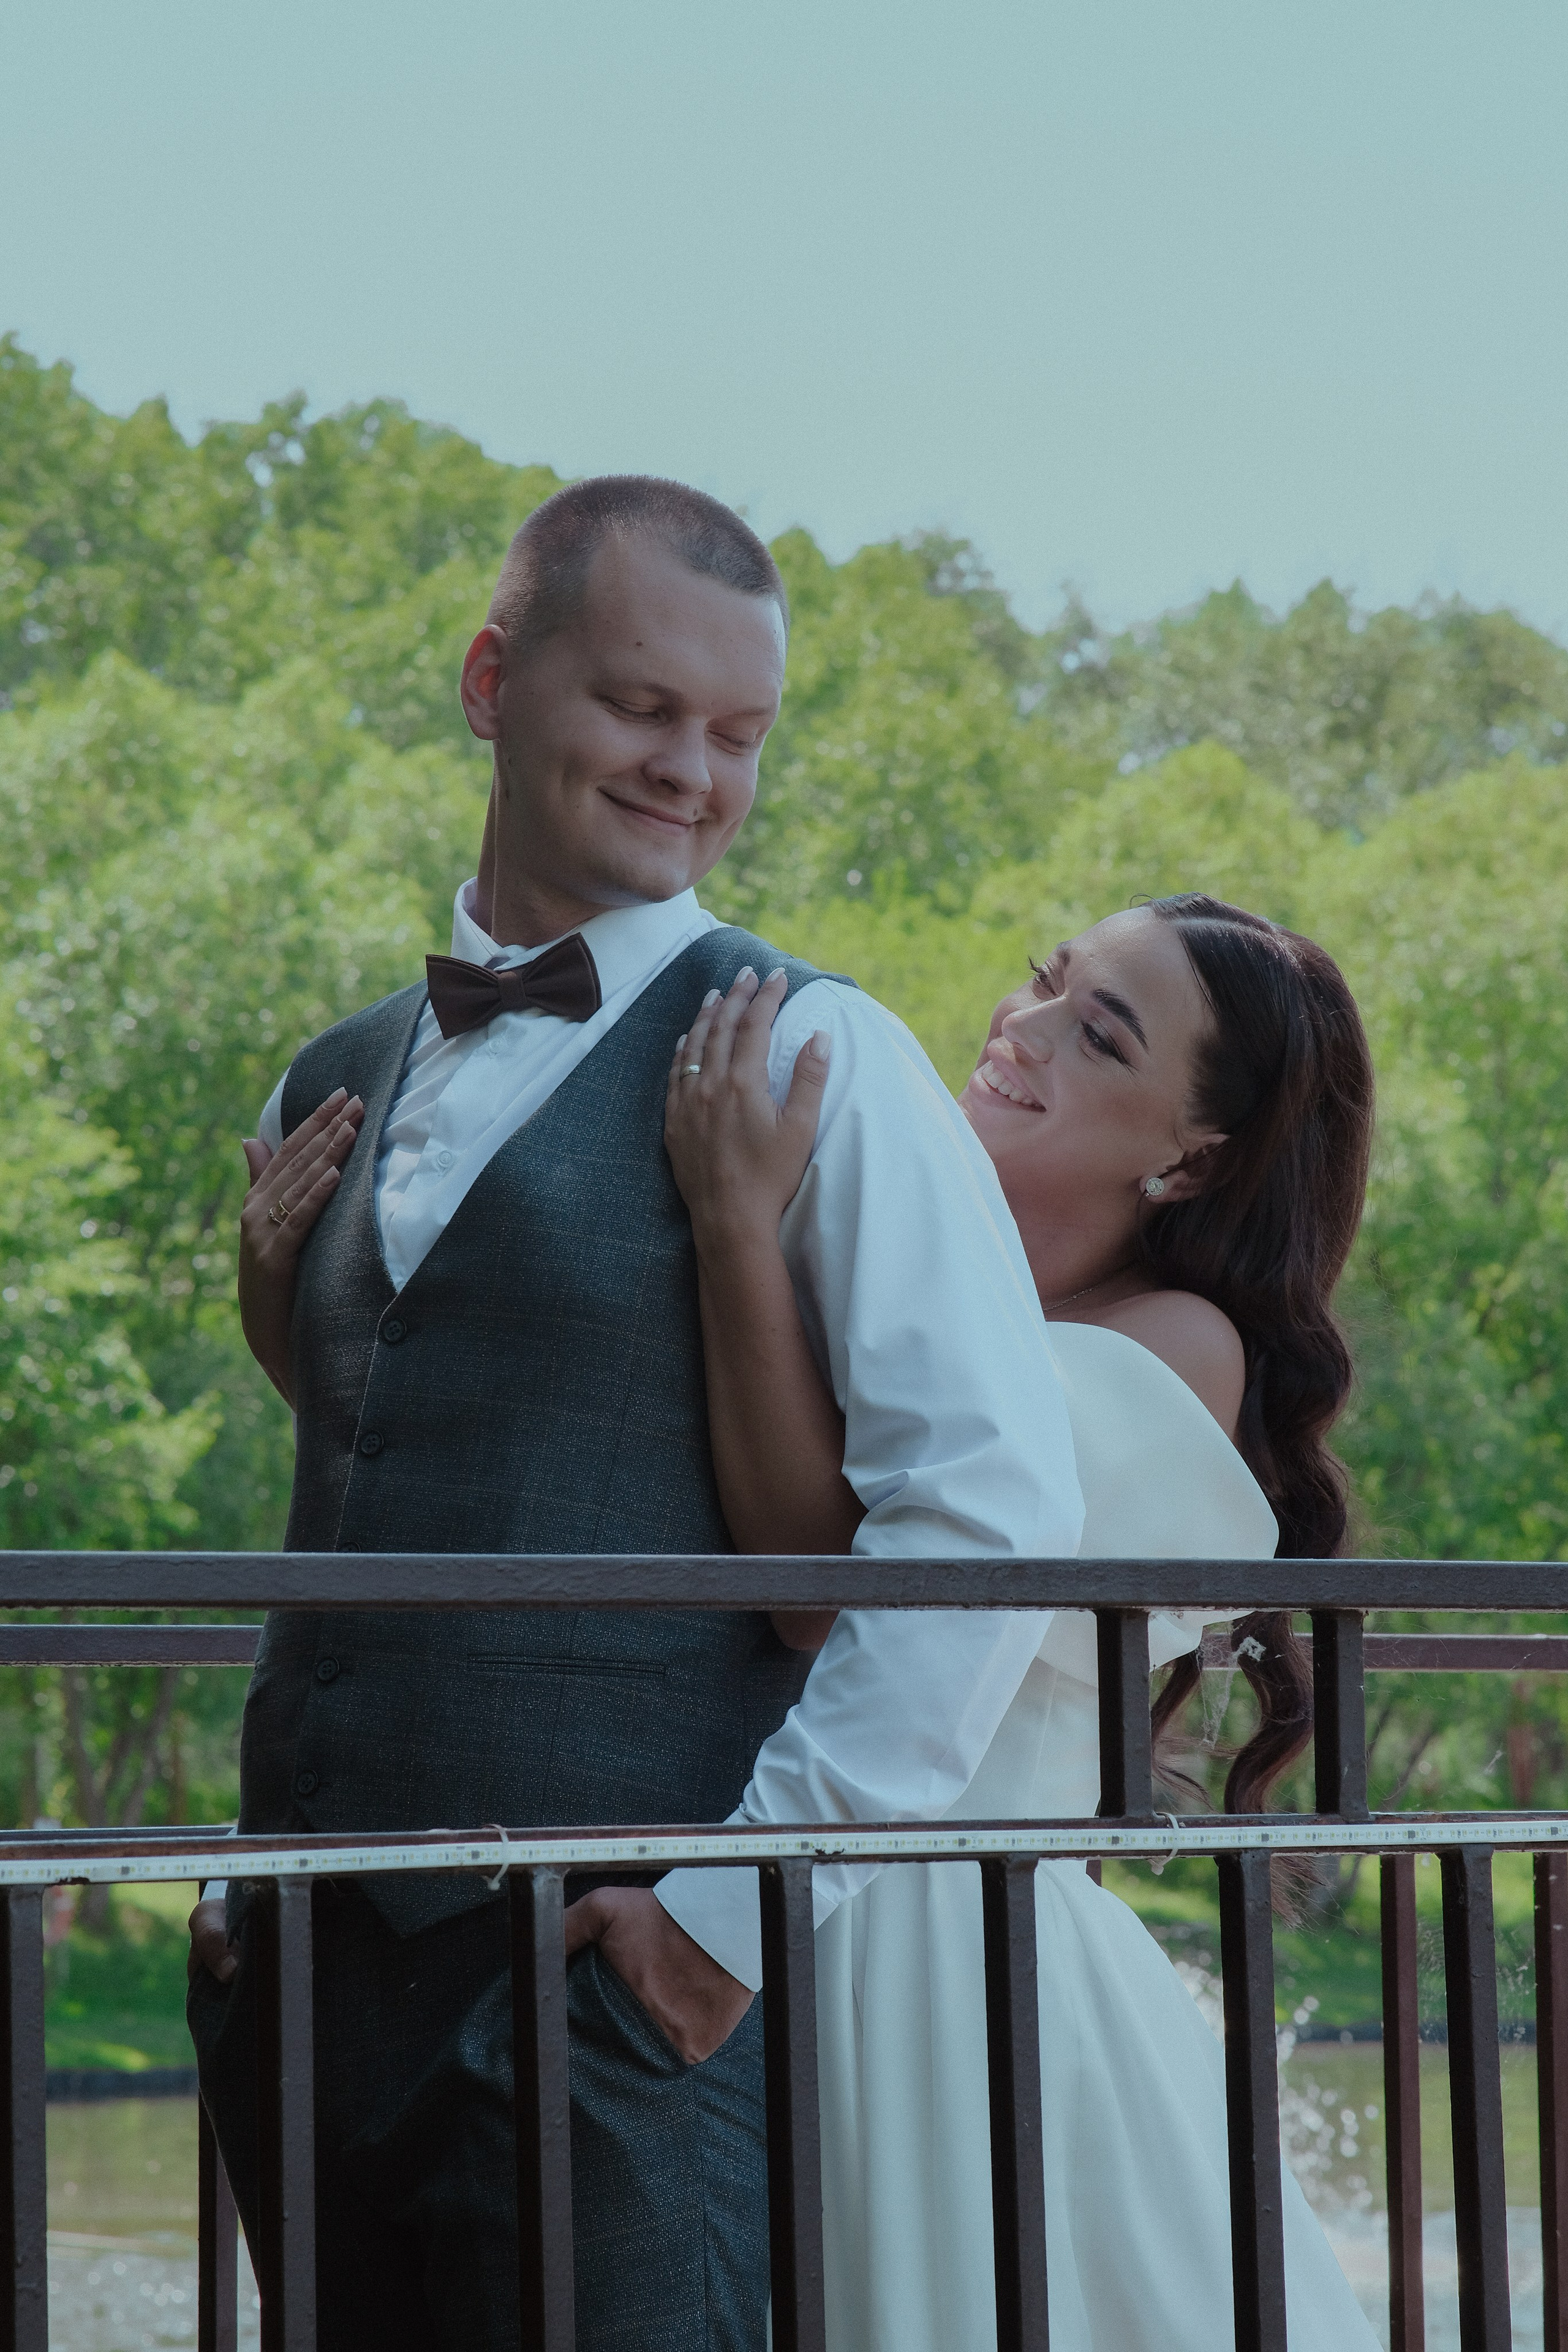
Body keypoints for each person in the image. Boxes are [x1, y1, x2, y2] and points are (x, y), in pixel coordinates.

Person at [186, 476, 1086, 2351]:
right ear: (493, 680)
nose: (694, 771)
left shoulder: (822, 1051)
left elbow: (987, 1521)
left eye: (738, 734)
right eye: (643, 707)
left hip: (601, 1997)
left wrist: (725, 1919)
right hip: (295, 1981)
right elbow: (404, 1433)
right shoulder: (339, 1071)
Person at [660, 896, 1382, 2351]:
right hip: (783, 1905)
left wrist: (737, 1220)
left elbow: (832, 1591)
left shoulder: (1173, 1348)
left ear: (1190, 1156)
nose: (1020, 1029)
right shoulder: (912, 1284)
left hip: (939, 1957)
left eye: (1097, 1034)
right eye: (1045, 984)